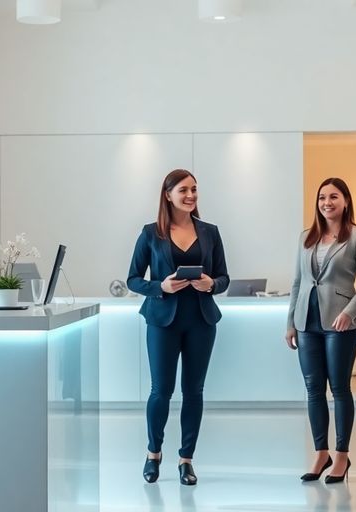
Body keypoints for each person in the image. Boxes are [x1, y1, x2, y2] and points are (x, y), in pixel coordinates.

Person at [127, 169, 230, 486]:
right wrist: (161, 287)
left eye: (194, 189)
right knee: (161, 391)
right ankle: (153, 453)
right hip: (162, 322)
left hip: (201, 321)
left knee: (194, 392)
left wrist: (212, 284)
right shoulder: (150, 233)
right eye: (183, 190)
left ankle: (186, 460)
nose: (190, 195)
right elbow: (133, 279)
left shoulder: (210, 232)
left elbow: (224, 278)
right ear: (168, 194)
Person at [285, 177, 356, 484]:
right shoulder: (306, 237)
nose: (327, 202)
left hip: (341, 323)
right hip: (307, 321)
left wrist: (349, 312)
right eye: (322, 197)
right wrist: (290, 322)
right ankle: (320, 453)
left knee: (339, 388)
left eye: (334, 196)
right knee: (313, 389)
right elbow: (298, 282)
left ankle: (341, 456)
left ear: (346, 201)